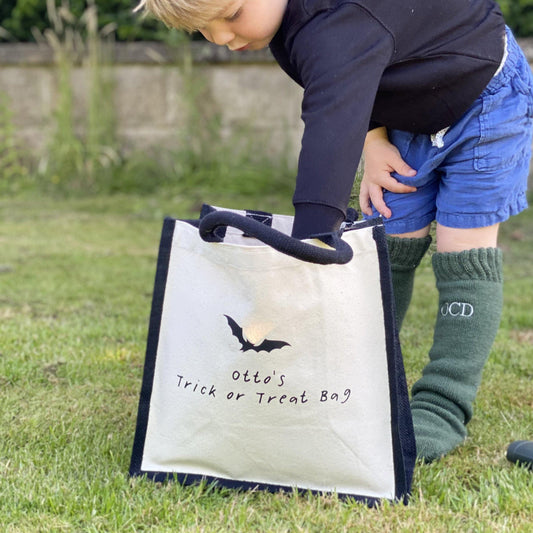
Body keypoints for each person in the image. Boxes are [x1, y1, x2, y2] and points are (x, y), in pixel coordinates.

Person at [135, 0, 533, 462]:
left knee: (461, 247)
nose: (222, 37)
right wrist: (375, 139)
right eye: (204, 29)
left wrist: (310, 248)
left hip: (486, 99)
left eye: (232, 15)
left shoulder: (337, 18)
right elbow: (349, 80)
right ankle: (363, 390)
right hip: (407, 116)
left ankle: (442, 406)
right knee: (390, 242)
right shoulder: (285, 24)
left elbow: (329, 127)